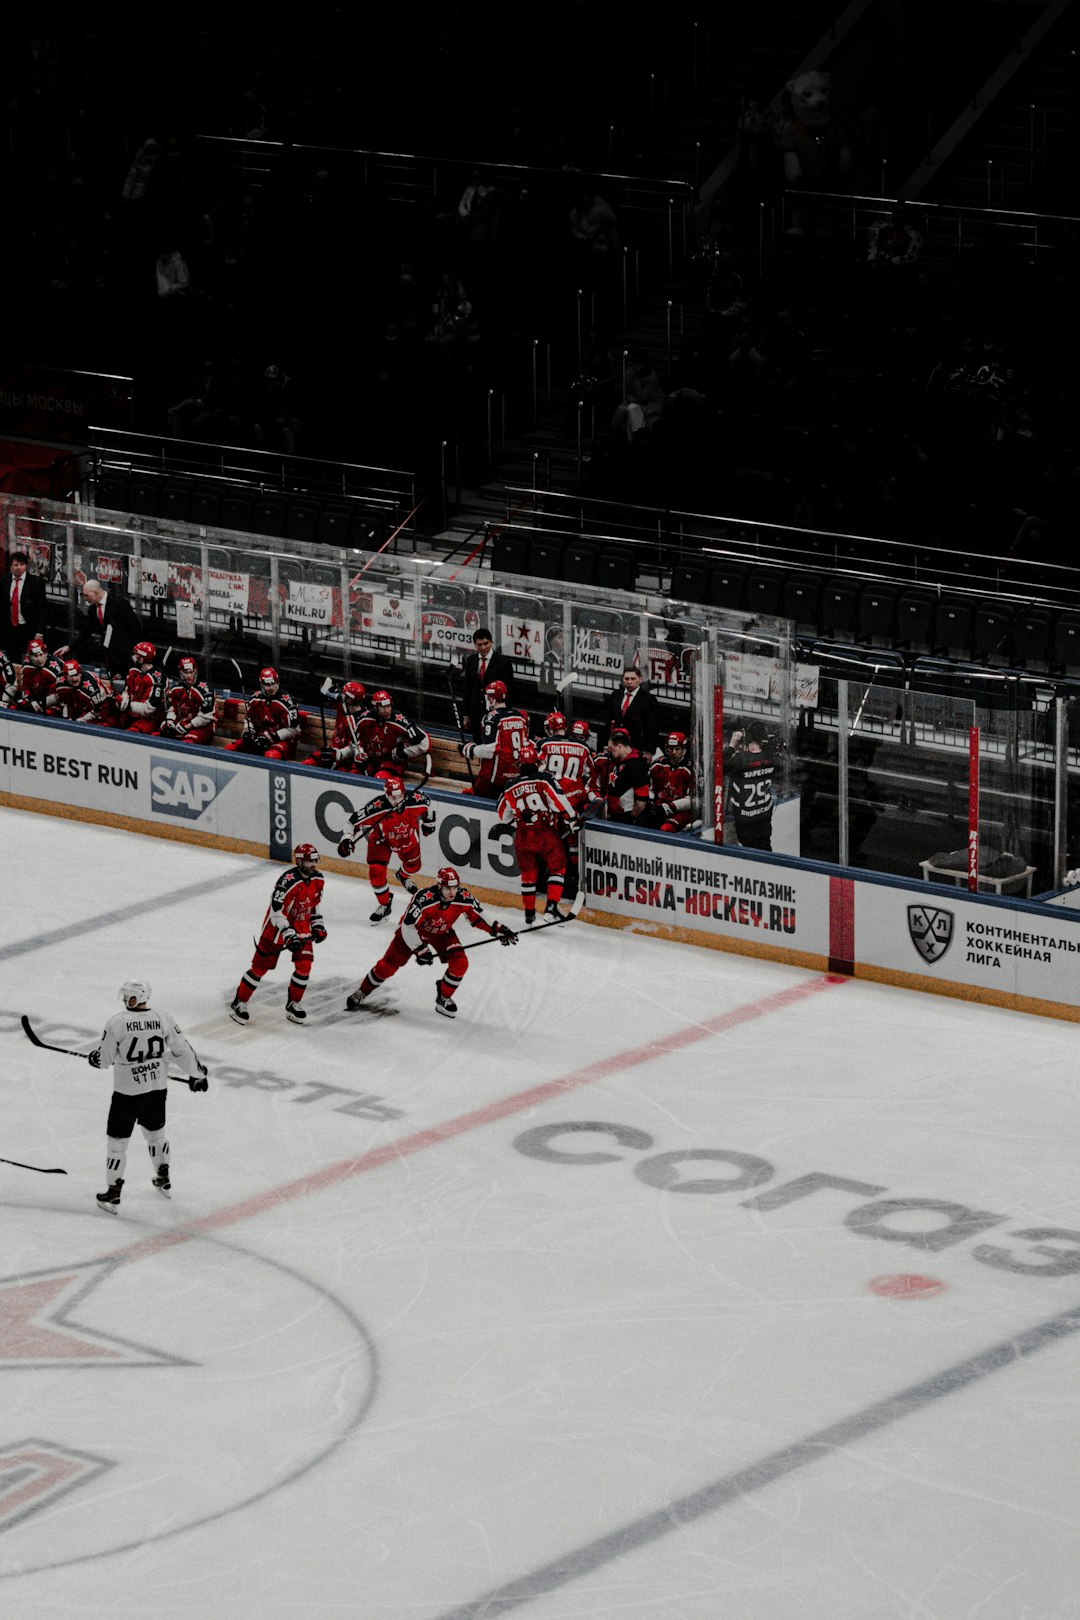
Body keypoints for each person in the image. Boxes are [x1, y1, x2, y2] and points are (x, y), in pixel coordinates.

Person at [89, 979, 208, 1211]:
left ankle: (113, 1192)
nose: (126, 1000)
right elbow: (182, 1049)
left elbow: (104, 1059)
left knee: (117, 1145)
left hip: (127, 1095)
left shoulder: (116, 1023)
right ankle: (163, 1177)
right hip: (156, 1090)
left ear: (140, 997)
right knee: (156, 1136)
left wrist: (95, 1059)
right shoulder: (163, 1017)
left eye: (129, 996)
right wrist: (197, 1074)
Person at [345, 866, 515, 1021]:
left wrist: (499, 930)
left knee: (460, 963)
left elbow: (478, 916)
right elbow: (407, 925)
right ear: (439, 886)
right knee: (387, 967)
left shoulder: (463, 897)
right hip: (412, 934)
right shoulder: (424, 898)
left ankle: (443, 997)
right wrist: (420, 949)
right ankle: (362, 992)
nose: (452, 892)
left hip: (442, 934)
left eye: (454, 887)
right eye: (448, 888)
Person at [230, 844, 327, 1025]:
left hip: (301, 928)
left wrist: (318, 924)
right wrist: (288, 932)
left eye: (315, 860)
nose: (313, 864)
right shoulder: (287, 881)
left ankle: (293, 1004)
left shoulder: (319, 879)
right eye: (309, 860)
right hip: (276, 930)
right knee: (259, 969)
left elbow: (313, 905)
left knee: (304, 967)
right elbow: (276, 912)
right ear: (298, 861)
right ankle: (240, 1002)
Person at [337, 774, 436, 923]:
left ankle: (403, 875)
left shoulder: (417, 801)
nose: (397, 801)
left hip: (407, 838)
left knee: (414, 867)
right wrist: (346, 839)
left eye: (399, 797)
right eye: (393, 798)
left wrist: (429, 824)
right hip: (381, 840)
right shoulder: (376, 807)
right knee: (376, 872)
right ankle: (384, 904)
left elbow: (428, 808)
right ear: (386, 794)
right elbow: (352, 823)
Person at [498, 740, 576, 926]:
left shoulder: (509, 786)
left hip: (523, 836)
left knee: (528, 874)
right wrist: (572, 819)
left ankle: (529, 913)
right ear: (537, 763)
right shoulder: (544, 779)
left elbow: (503, 816)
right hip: (545, 833)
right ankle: (551, 907)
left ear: (519, 765)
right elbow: (559, 802)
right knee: (558, 867)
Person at [462, 680, 529, 798]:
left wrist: (469, 749)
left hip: (495, 779)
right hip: (517, 777)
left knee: (468, 797)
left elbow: (489, 750)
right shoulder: (519, 716)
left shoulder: (491, 718)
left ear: (492, 699)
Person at [68, 578, 143, 678]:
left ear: (96, 592)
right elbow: (85, 632)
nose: (85, 598)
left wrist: (138, 653)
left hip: (127, 656)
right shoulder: (92, 609)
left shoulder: (119, 603)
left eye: (86, 595)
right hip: (110, 656)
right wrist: (69, 646)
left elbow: (135, 629)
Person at [352, 689, 429, 781]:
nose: (387, 710)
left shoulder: (399, 721)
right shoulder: (364, 719)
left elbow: (425, 743)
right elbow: (356, 739)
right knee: (353, 775)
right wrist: (359, 753)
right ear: (376, 708)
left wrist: (403, 753)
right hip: (369, 760)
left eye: (389, 706)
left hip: (391, 763)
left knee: (380, 778)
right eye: (383, 707)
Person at [723, 719, 777, 850]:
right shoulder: (770, 757)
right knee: (765, 850)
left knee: (750, 855)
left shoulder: (740, 760)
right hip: (764, 819)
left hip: (746, 822)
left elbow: (720, 767)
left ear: (747, 738)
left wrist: (731, 746)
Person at [225, 668, 300, 760]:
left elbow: (294, 730)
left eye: (274, 683)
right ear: (261, 684)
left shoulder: (288, 702)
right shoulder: (255, 699)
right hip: (258, 738)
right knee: (229, 749)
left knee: (270, 756)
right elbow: (249, 719)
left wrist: (272, 737)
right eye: (267, 685)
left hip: (282, 741)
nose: (271, 688)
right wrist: (248, 731)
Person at [536, 710, 595, 813]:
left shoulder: (544, 744)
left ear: (550, 728)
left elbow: (536, 769)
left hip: (552, 801)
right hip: (575, 800)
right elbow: (592, 773)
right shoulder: (583, 746)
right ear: (566, 728)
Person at [461, 626, 514, 741]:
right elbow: (467, 689)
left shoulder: (503, 662)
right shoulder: (471, 660)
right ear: (475, 644)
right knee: (477, 743)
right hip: (475, 712)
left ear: (491, 642)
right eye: (479, 645)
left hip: (494, 713)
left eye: (486, 643)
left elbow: (510, 690)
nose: (483, 647)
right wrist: (466, 715)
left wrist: (505, 715)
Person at [301, 680, 368, 770]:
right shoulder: (343, 705)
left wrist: (339, 754)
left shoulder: (361, 720)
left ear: (350, 699)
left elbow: (356, 747)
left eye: (345, 694)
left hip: (346, 758)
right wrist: (329, 690)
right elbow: (327, 691)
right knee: (313, 759)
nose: (342, 695)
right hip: (334, 751)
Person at [103, 640, 165, 732]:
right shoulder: (133, 670)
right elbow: (127, 691)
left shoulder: (156, 678)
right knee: (106, 723)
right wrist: (123, 700)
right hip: (131, 714)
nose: (134, 657)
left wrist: (128, 705)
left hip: (149, 719)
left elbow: (150, 708)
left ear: (143, 658)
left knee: (130, 733)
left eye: (137, 655)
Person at [640, 731, 694, 832]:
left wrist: (670, 807)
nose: (673, 752)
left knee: (666, 829)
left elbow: (691, 801)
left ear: (684, 750)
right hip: (658, 808)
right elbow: (651, 789)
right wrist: (650, 803)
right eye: (671, 749)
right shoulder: (657, 765)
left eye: (677, 749)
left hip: (680, 811)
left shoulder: (690, 770)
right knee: (641, 822)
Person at [2, 551, 47, 664]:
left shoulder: (35, 582)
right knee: (13, 659)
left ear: (26, 565)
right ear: (11, 566)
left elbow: (42, 608)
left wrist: (39, 632)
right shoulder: (4, 581)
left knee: (32, 659)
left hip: (28, 628)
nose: (19, 568)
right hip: (10, 628)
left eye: (21, 564)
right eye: (15, 565)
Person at [160, 654, 216, 744]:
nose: (189, 675)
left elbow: (206, 718)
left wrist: (188, 726)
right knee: (160, 735)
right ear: (181, 673)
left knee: (186, 743)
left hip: (203, 728)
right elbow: (172, 710)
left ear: (196, 671)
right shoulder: (176, 689)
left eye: (192, 672)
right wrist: (170, 723)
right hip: (182, 725)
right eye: (186, 673)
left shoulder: (206, 690)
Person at [604, 666, 661, 753]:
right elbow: (608, 721)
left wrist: (649, 750)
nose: (629, 682)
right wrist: (606, 743)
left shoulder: (648, 699)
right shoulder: (616, 695)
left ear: (640, 679)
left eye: (633, 679)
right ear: (623, 679)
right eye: (627, 679)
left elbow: (653, 728)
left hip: (636, 746)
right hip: (616, 745)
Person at [605, 728, 651, 821]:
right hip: (614, 814)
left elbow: (642, 800)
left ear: (619, 746)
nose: (609, 751)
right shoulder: (616, 760)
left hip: (626, 817)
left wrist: (631, 817)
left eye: (611, 748)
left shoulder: (637, 764)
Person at [14, 635, 64, 712]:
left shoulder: (56, 668)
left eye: (41, 655)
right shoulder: (27, 666)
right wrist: (27, 698)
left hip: (55, 704)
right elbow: (26, 686)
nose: (39, 659)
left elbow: (60, 694)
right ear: (29, 656)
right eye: (35, 656)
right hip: (36, 700)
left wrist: (39, 704)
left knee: (49, 713)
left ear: (46, 653)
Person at [53, 659, 110, 724]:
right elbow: (64, 701)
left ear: (80, 673)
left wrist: (81, 720)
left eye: (76, 675)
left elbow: (97, 710)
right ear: (65, 676)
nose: (74, 679)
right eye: (71, 676)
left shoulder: (91, 689)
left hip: (101, 706)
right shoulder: (60, 682)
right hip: (79, 704)